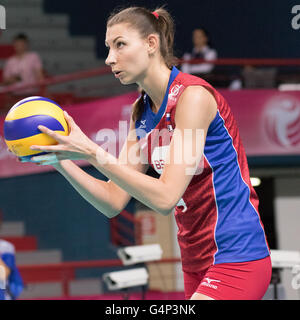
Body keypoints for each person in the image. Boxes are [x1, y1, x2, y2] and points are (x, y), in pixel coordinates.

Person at [26, 6, 271, 300]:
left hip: (237, 256)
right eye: (107, 48)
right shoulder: (140, 112)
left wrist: (92, 152)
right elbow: (113, 200)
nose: (109, 58)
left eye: (120, 45)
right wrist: (61, 160)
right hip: (195, 262)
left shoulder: (193, 98)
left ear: (151, 44)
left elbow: (166, 197)